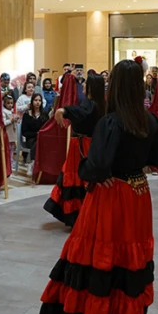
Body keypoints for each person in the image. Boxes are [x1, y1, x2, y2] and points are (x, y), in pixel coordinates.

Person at [38, 59, 158, 314]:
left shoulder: (111, 122)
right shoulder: (148, 120)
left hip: (111, 196)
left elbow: (95, 165)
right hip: (138, 195)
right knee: (131, 256)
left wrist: (95, 172)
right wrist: (139, 165)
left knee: (103, 254)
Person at [44, 74, 106, 227]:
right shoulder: (98, 103)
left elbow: (81, 113)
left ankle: (79, 214)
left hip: (82, 146)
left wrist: (64, 110)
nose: (83, 86)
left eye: (86, 84)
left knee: (78, 178)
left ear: (91, 87)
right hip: (83, 144)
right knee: (75, 177)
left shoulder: (91, 104)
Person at [20, 93, 46, 169]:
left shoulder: (45, 114)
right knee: (38, 143)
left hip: (43, 138)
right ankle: (33, 163)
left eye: (39, 100)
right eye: (36, 100)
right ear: (32, 101)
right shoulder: (27, 114)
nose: (38, 102)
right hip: (31, 139)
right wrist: (36, 134)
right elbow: (24, 132)